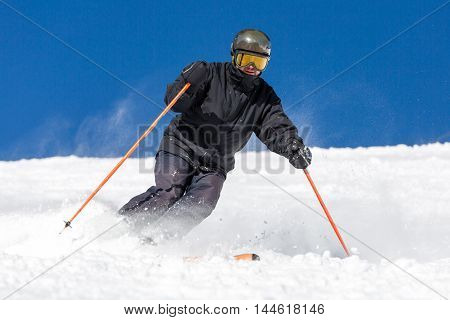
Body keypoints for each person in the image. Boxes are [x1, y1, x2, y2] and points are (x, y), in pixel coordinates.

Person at [119, 29, 312, 242]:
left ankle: (160, 239)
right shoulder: (209, 74)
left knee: (202, 203)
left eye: (258, 63)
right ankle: (123, 228)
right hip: (181, 145)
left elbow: (276, 127)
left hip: (216, 163)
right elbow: (175, 103)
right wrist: (187, 82)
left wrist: (292, 146)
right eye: (246, 59)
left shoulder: (265, 98)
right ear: (233, 56)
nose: (251, 68)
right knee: (169, 192)